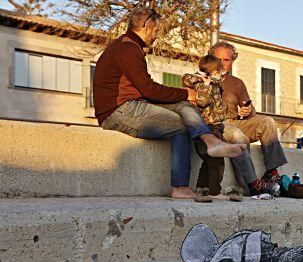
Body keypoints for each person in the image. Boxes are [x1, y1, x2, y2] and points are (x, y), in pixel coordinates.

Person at [92, 7, 245, 199]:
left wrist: (184, 97)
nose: (156, 36)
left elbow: (146, 90)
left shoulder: (130, 46)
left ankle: (211, 142)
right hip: (118, 111)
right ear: (147, 26)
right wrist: (185, 93)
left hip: (134, 103)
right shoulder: (127, 48)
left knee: (184, 106)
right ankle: (180, 187)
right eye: (156, 31)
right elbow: (148, 89)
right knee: (181, 125)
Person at [208, 41, 288, 195]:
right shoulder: (200, 79)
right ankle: (252, 183)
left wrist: (248, 110)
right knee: (238, 136)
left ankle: (271, 172)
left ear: (232, 62)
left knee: (268, 122)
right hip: (216, 124)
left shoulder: (237, 83)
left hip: (236, 121)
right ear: (211, 58)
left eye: (227, 60)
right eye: (219, 59)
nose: (222, 64)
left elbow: (252, 112)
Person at [182, 55, 241, 202]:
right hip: (207, 127)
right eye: (220, 72)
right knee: (217, 161)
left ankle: (202, 189)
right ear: (213, 72)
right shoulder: (203, 83)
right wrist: (207, 86)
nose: (221, 75)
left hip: (214, 126)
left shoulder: (213, 83)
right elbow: (202, 102)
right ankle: (214, 191)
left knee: (208, 161)